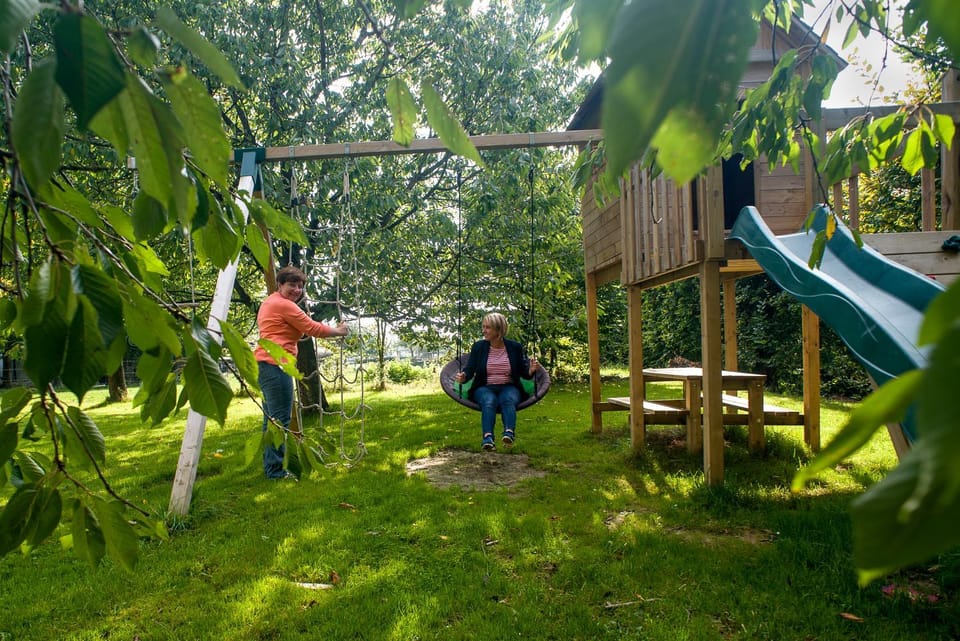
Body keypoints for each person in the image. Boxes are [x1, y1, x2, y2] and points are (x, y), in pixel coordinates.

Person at [254, 266, 349, 479]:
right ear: (279, 285)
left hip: (266, 364)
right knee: (279, 420)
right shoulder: (283, 304)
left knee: (271, 421)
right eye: (292, 285)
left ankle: (271, 467)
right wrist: (339, 331)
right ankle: (276, 472)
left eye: (300, 286)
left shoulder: (271, 301)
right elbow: (313, 329)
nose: (297, 290)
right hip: (275, 366)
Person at [454, 312, 540, 451]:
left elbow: (524, 372)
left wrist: (531, 370)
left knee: (508, 399)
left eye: (487, 327)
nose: (484, 331)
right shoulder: (479, 347)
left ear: (498, 330)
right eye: (483, 327)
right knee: (489, 401)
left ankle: (509, 433)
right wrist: (464, 376)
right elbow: (470, 369)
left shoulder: (514, 347)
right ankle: (487, 438)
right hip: (484, 387)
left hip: (509, 386)